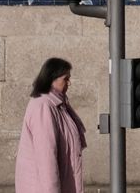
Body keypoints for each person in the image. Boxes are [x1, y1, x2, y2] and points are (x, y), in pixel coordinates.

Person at [16, 56, 87, 193]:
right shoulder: (43, 107)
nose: (69, 83)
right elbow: (46, 156)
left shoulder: (58, 105)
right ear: (51, 79)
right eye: (65, 79)